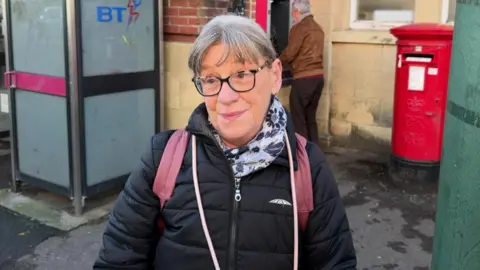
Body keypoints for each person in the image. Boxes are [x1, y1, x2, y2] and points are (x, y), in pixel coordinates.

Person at [93, 14, 356, 270]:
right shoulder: (162, 158)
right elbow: (118, 258)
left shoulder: (308, 167)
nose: (226, 96)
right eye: (210, 79)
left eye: (242, 74)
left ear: (275, 76)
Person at [280, 0, 324, 147]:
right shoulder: (318, 28)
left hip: (304, 79)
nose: (292, 17)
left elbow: (290, 53)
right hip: (318, 79)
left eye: (293, 13)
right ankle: (315, 153)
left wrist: (275, 62)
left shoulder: (299, 28)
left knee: (298, 119)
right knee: (310, 118)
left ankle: (303, 154)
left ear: (297, 12)